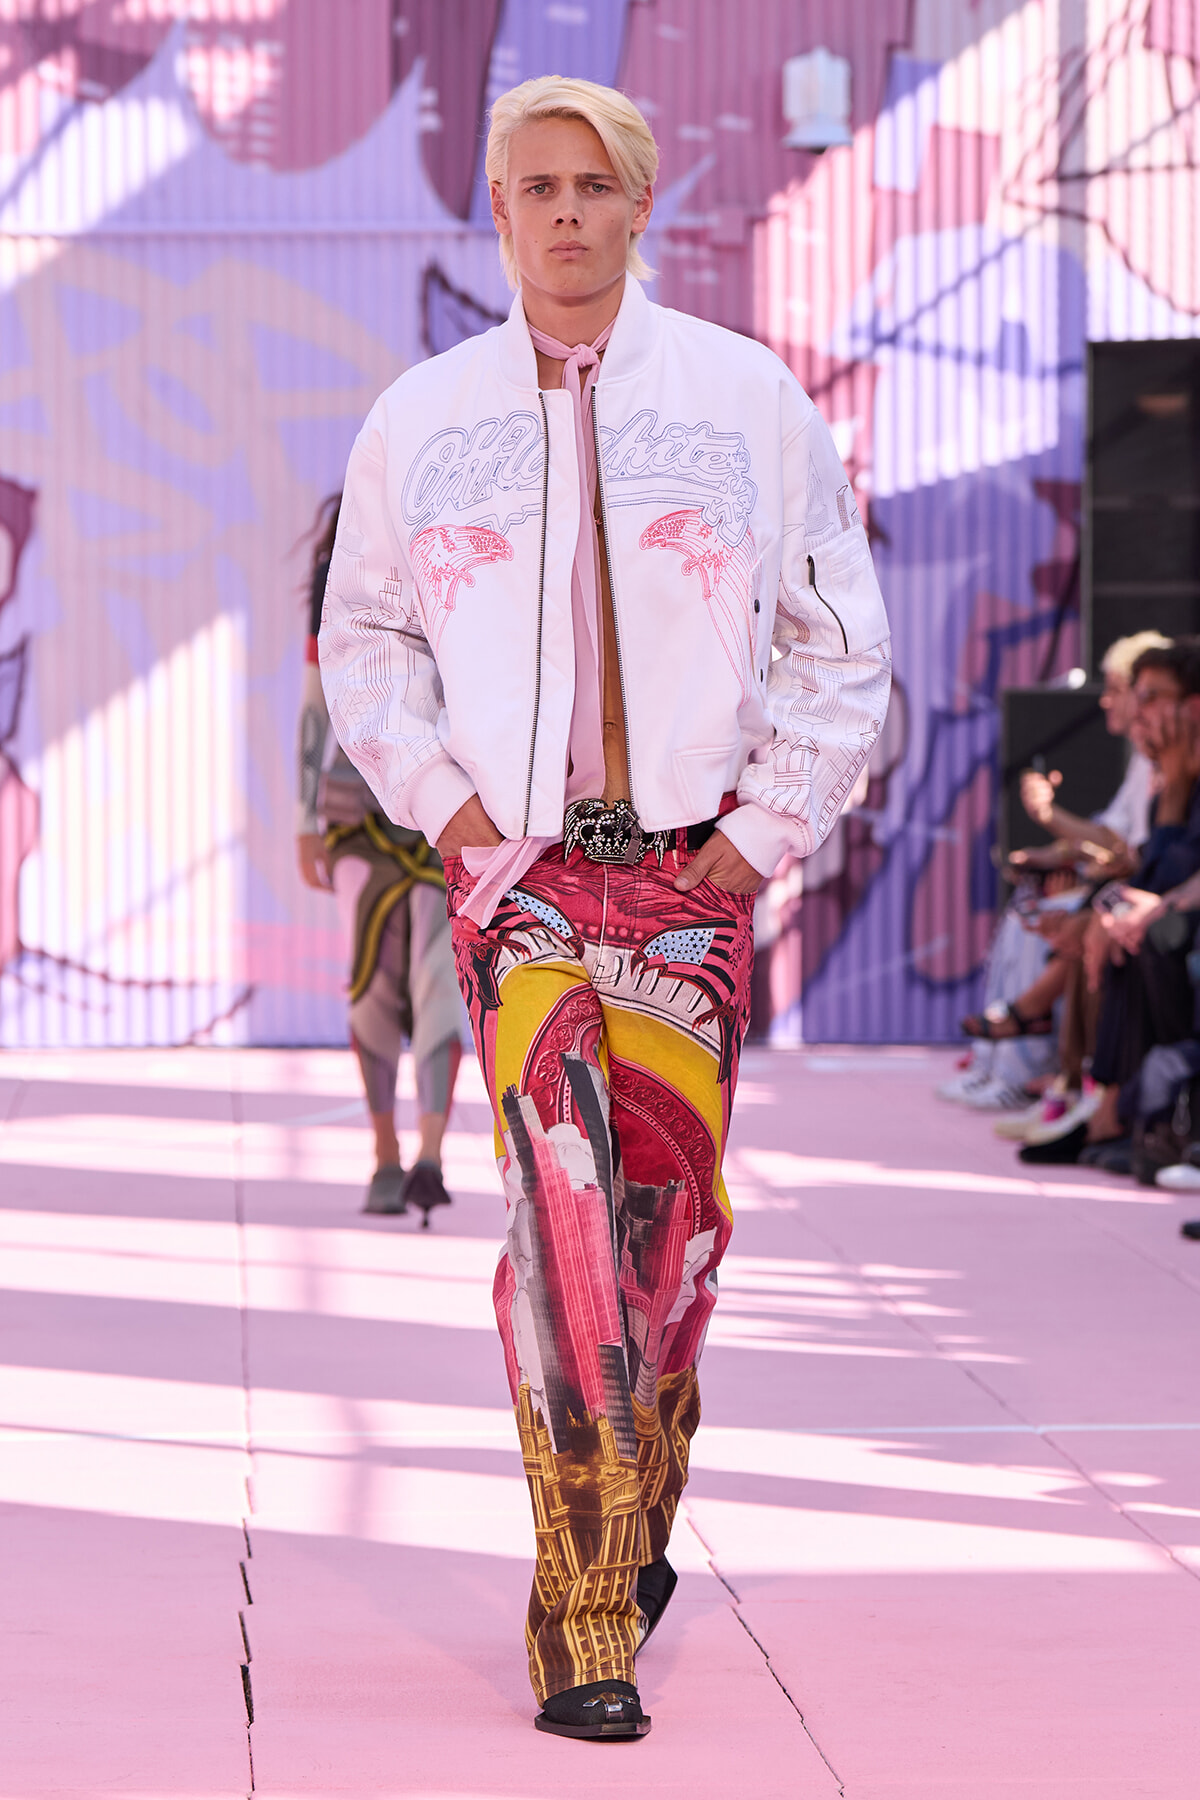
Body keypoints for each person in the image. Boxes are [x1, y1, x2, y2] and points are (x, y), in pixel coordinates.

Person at [318, 76, 890, 1738]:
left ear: (640, 204)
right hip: (522, 883)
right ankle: (583, 1618)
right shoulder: (420, 419)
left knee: (669, 1232)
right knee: (562, 1209)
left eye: (593, 185)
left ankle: (633, 1498)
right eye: (533, 187)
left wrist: (766, 824)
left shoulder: (744, 400)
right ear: (497, 211)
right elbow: (364, 643)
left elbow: (836, 638)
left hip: (690, 882)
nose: (564, 213)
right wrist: (456, 810)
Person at [296, 493, 461, 1223]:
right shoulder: (340, 576)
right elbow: (314, 704)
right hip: (358, 806)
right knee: (370, 976)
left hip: (441, 797)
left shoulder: (456, 558)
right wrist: (305, 817)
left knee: (436, 979)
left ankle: (426, 1154)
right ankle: (388, 1153)